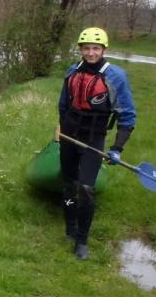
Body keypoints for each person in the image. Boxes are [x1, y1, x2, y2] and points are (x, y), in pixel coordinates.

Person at [57, 27, 136, 260]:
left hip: (93, 137)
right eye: (86, 48)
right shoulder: (72, 71)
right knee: (69, 184)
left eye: (95, 48)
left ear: (104, 50)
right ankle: (70, 228)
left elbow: (128, 117)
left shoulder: (116, 77)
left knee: (87, 189)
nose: (91, 53)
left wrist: (116, 148)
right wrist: (61, 129)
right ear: (80, 49)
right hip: (69, 136)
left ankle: (82, 240)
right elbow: (63, 105)